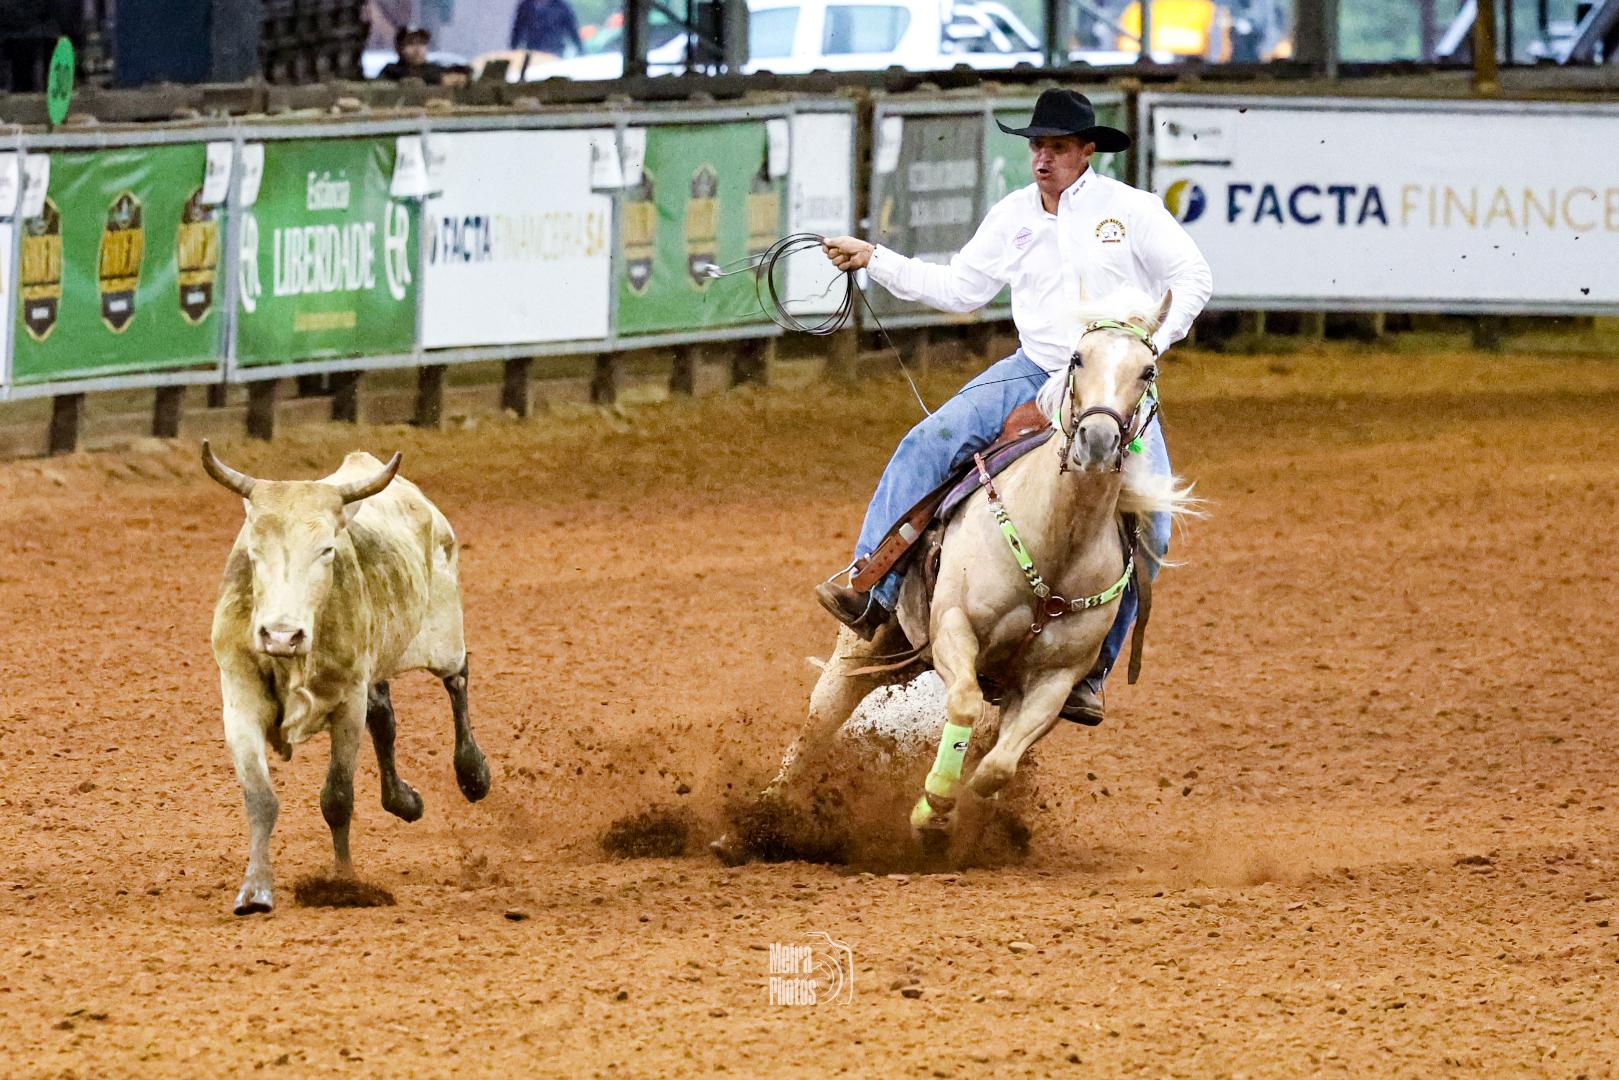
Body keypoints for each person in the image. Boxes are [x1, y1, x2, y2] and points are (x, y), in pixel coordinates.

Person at [815, 88, 1213, 725]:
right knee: (926, 442)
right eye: (1037, 146)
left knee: (1156, 530)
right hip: (1034, 369)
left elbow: (1193, 278)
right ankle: (874, 588)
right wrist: (876, 259)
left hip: (1111, 385)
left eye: (1057, 147)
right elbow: (960, 289)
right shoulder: (1013, 215)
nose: (1043, 159)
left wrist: (1147, 345)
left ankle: (1090, 671)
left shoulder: (1130, 211)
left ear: (1087, 151)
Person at [377, 25, 470, 86]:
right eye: (410, 43)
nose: (417, 49)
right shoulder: (391, 70)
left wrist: (459, 78)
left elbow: (461, 70)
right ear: (399, 49)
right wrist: (439, 80)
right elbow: (409, 77)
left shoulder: (433, 68)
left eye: (421, 43)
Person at [509, 0, 584, 56]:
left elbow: (572, 30)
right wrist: (513, 49)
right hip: (533, 51)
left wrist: (580, 49)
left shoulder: (562, 6)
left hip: (555, 51)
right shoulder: (526, 5)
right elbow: (518, 30)